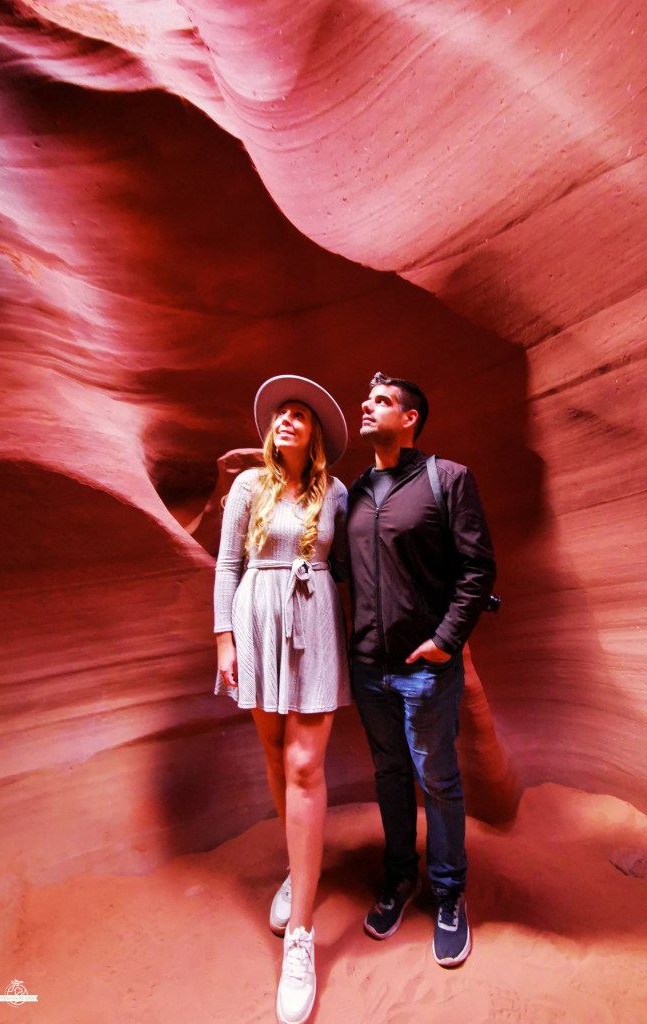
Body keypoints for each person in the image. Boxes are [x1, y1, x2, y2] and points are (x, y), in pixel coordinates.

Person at [346, 371, 496, 968]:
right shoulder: (355, 492)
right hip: (368, 666)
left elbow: (477, 569)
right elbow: (336, 567)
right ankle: (399, 876)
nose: (367, 406)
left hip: (424, 668)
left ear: (410, 418)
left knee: (437, 778)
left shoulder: (447, 478)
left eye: (381, 401)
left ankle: (449, 892)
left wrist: (445, 641)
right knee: (389, 775)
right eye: (367, 399)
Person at [214, 375, 351, 1024]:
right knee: (275, 755)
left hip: (313, 622)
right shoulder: (249, 486)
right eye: (280, 413)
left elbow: (353, 565)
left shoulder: (337, 494)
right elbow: (227, 565)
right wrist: (224, 639)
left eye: (299, 413)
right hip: (256, 621)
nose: (286, 420)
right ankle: (300, 865)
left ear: (315, 432)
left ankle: (301, 935)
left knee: (304, 765)